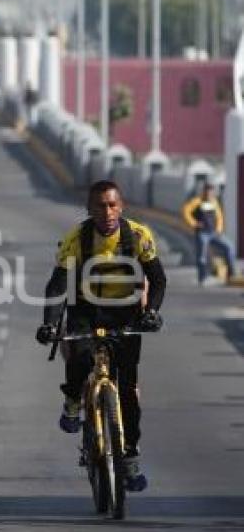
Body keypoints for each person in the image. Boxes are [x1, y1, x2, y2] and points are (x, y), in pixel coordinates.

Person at [35, 180, 166, 492]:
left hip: (126, 313)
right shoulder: (77, 239)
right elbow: (57, 287)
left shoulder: (137, 235)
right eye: (99, 206)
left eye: (112, 205)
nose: (106, 212)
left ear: (120, 206)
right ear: (89, 209)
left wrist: (152, 312)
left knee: (128, 392)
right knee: (79, 356)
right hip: (86, 309)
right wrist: (49, 325)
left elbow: (157, 279)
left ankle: (130, 458)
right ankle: (72, 400)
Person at [181, 182, 238, 286]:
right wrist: (194, 223)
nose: (209, 194)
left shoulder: (214, 202)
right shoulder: (197, 201)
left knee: (229, 247)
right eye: (207, 191)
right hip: (202, 233)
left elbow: (219, 216)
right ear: (204, 191)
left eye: (211, 192)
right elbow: (185, 211)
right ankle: (202, 278)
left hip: (214, 233)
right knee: (201, 256)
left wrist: (219, 229)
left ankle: (231, 273)